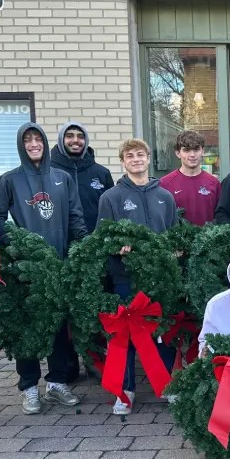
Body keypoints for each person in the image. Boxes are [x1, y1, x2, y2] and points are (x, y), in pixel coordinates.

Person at [0, 122, 87, 415]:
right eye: (28, 140)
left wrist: (83, 249)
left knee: (60, 326)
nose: (33, 144)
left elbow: (75, 218)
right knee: (28, 328)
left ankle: (58, 382)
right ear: (21, 145)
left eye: (38, 139)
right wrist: (16, 249)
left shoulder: (61, 178)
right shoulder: (10, 180)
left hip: (58, 265)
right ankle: (30, 386)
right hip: (26, 270)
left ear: (46, 143)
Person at [97, 138, 178, 414]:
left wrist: (174, 252)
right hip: (125, 277)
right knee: (125, 336)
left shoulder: (164, 196)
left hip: (158, 277)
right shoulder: (111, 197)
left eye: (140, 154)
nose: (136, 159)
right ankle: (125, 391)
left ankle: (167, 385)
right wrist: (116, 248)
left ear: (148, 158)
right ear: (123, 162)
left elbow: (173, 234)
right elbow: (102, 238)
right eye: (130, 156)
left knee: (162, 331)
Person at [48, 122, 114, 233]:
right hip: (58, 244)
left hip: (95, 244)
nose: (75, 140)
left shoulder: (102, 173)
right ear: (61, 140)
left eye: (80, 136)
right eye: (69, 136)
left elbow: (112, 210)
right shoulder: (47, 172)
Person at [158, 130, 220, 226]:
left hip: (208, 239)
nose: (192, 155)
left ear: (202, 151)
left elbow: (220, 217)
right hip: (177, 240)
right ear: (178, 153)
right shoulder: (164, 183)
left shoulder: (214, 183)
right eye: (186, 150)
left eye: (196, 149)